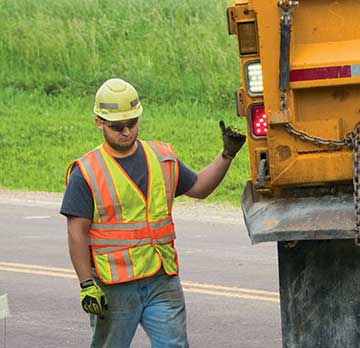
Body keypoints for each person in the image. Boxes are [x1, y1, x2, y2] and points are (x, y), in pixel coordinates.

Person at [60, 78, 246, 348]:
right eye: (117, 127)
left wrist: (226, 155)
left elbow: (199, 187)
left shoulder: (162, 157)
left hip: (161, 280)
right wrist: (86, 283)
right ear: (99, 122)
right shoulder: (87, 172)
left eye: (132, 123)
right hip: (115, 285)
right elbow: (76, 232)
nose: (126, 131)